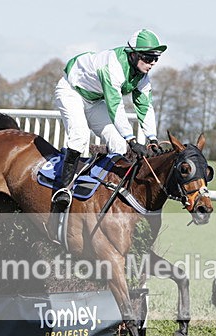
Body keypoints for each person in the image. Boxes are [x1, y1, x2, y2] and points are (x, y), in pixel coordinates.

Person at [50, 29, 167, 216]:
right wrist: (132, 139)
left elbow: (145, 107)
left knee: (118, 144)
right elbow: (115, 106)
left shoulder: (142, 76)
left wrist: (152, 138)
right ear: (134, 54)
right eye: (148, 57)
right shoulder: (113, 66)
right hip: (71, 91)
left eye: (156, 58)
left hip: (94, 100)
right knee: (80, 136)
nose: (152, 63)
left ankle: (104, 190)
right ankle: (62, 190)